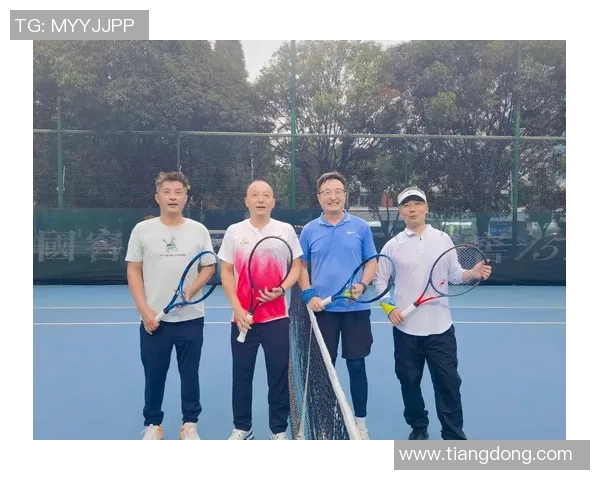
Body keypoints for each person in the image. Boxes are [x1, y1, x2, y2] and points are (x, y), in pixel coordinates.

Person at [376, 186, 491, 441]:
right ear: (400, 211)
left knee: (448, 384)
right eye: (406, 205)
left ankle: (453, 435)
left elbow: (453, 274)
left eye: (417, 204)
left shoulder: (442, 239)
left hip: (441, 329)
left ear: (426, 208)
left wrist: (471, 273)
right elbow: (381, 281)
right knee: (409, 383)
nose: (412, 209)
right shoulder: (392, 246)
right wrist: (389, 308)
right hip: (406, 330)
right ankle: (418, 426)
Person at [125, 171, 215, 440]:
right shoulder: (142, 230)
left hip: (191, 319)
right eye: (167, 192)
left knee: (190, 375)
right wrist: (145, 312)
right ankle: (153, 425)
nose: (173, 197)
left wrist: (192, 288)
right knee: (154, 375)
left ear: (186, 198)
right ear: (157, 197)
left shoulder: (198, 230)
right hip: (154, 321)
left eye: (178, 192)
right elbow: (133, 271)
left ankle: (189, 425)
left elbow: (208, 266)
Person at [218, 180, 303, 440]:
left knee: (278, 376)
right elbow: (226, 272)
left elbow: (297, 266)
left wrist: (283, 288)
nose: (260, 199)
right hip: (242, 319)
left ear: (273, 202)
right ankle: (242, 427)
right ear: (246, 201)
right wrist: (237, 309)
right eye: (255, 195)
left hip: (277, 319)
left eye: (266, 195)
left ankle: (278, 430)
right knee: (241, 375)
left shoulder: (285, 230)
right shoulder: (234, 231)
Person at [298, 171, 378, 440]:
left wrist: (363, 284)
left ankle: (360, 424)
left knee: (357, 367)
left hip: (356, 310)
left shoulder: (361, 227)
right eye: (327, 192)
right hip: (323, 312)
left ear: (345, 195)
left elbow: (371, 261)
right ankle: (323, 420)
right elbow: (301, 266)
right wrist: (308, 294)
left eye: (338, 191)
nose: (333, 196)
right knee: (324, 371)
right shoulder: (309, 230)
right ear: (319, 197)